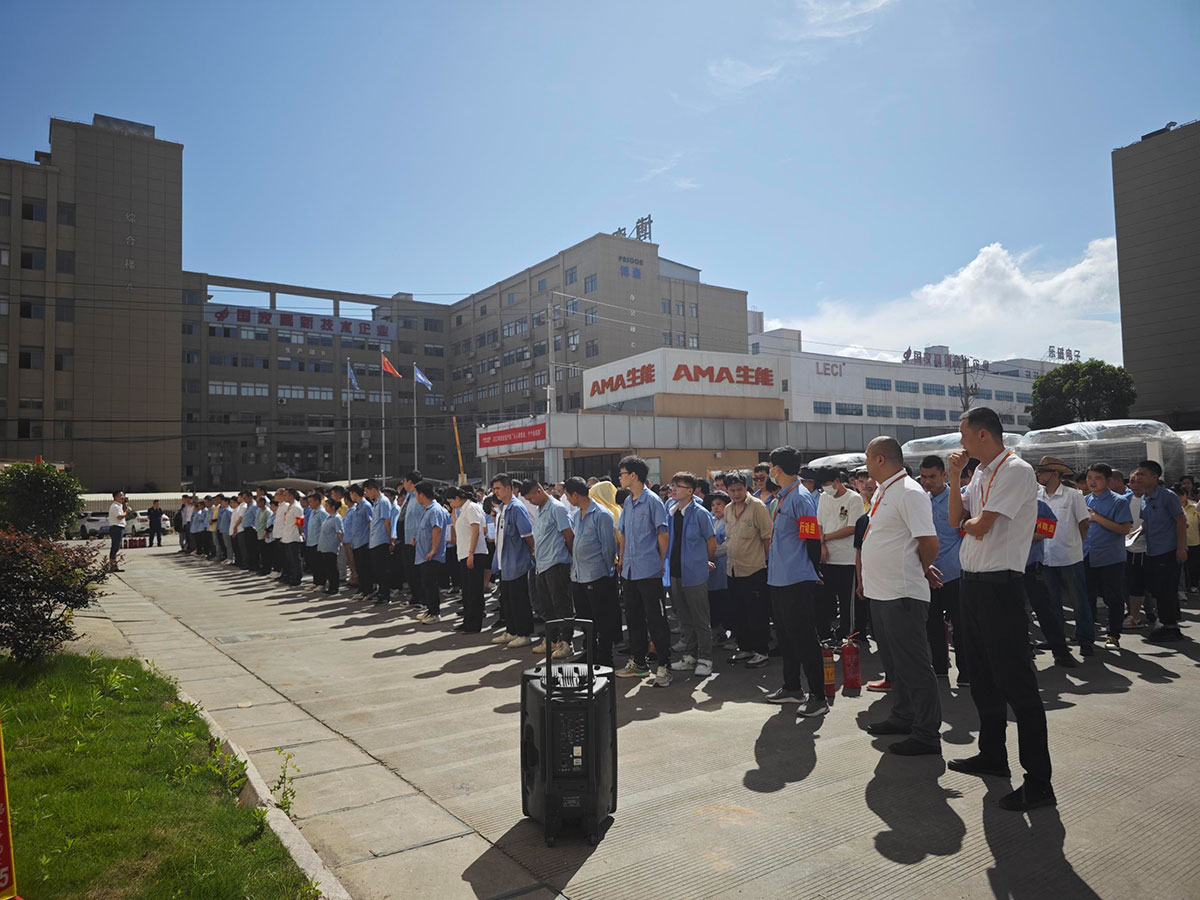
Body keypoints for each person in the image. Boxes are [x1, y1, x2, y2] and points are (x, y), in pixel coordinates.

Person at [948, 407, 1054, 812]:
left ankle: (1039, 781)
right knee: (981, 677)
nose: (960, 442)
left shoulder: (1015, 471)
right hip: (973, 586)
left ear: (983, 435)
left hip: (1000, 588)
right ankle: (992, 754)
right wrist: (955, 477)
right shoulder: (979, 473)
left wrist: (968, 524)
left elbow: (981, 525)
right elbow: (957, 518)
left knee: (1017, 684)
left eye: (963, 434)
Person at [861, 437, 943, 756]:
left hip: (902, 593)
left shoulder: (910, 492)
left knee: (914, 664)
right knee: (895, 664)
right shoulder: (884, 491)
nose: (866, 464)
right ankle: (904, 715)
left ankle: (926, 733)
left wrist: (918, 568)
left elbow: (929, 542)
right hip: (882, 592)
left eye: (868, 458)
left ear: (881, 460)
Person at [764, 446, 828, 718]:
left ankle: (818, 696)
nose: (769, 471)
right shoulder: (784, 496)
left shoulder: (800, 498)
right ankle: (792, 687)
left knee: (804, 638)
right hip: (779, 578)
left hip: (796, 578)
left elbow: (811, 538)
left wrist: (815, 570)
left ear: (777, 469)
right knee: (786, 636)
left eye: (770, 467)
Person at [616, 455, 674, 686]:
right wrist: (622, 559)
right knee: (634, 618)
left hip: (649, 570)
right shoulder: (628, 502)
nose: (619, 478)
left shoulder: (652, 501)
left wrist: (660, 562)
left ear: (633, 475)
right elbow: (623, 534)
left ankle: (664, 666)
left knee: (656, 620)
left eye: (622, 474)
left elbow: (663, 534)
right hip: (629, 571)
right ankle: (639, 663)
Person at [1036, 456, 1094, 656]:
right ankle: (1057, 640)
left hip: (1069, 556)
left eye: (1043, 471)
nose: (1039, 475)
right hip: (1045, 556)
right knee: (1051, 603)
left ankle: (1085, 639)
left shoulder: (1073, 495)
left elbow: (1084, 523)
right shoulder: (1037, 496)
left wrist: (1076, 543)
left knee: (1079, 601)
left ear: (1055, 473)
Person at [918, 456, 966, 685]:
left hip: (955, 572)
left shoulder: (958, 499)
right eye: (923, 477)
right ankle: (939, 668)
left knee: (961, 625)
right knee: (933, 625)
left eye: (932, 476)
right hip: (928, 573)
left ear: (944, 475)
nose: (927, 481)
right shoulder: (920, 501)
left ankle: (966, 671)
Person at [563, 477, 620, 667]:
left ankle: (604, 657)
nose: (567, 499)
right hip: (578, 576)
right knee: (585, 620)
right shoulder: (577, 515)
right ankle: (589, 652)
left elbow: (608, 548)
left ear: (575, 494)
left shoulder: (601, 515)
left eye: (567, 495)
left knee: (602, 620)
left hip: (596, 576)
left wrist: (606, 572)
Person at [665, 472, 718, 678]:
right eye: (672, 485)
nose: (673, 489)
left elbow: (711, 542)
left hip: (694, 573)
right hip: (675, 572)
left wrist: (702, 562)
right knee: (684, 617)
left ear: (690, 491)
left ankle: (705, 658)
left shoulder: (700, 513)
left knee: (700, 618)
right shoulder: (672, 512)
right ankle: (690, 656)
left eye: (678, 486)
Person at [1132, 460, 1187, 642]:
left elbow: (1180, 521)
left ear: (1155, 477)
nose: (1138, 478)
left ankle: (1170, 626)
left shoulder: (1167, 496)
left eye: (1142, 474)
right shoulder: (1145, 498)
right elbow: (1146, 523)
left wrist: (1181, 547)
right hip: (1152, 551)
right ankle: (1168, 624)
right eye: (1137, 474)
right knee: (1158, 589)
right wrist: (1135, 533)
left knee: (1166, 590)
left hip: (1168, 550)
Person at [521, 480, 577, 659]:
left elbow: (569, 536)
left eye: (531, 498)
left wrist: (571, 559)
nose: (531, 502)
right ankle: (552, 639)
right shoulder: (540, 510)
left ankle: (566, 642)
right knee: (547, 607)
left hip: (557, 563)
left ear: (539, 491)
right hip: (542, 564)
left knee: (561, 605)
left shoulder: (556, 508)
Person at [724, 472, 773, 669]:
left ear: (746, 487)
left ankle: (761, 651)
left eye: (739, 489)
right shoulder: (727, 509)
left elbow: (767, 537)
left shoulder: (758, 507)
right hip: (733, 570)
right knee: (739, 612)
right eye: (732, 490)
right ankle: (745, 648)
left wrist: (767, 564)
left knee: (757, 613)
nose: (736, 494)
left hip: (754, 570)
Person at [1082, 463, 1132, 648]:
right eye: (1089, 478)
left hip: (1110, 557)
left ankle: (1113, 635)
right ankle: (1086, 634)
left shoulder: (1119, 501)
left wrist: (1097, 518)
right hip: (1087, 554)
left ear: (1107, 480)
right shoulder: (1084, 500)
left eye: (1097, 478)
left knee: (1113, 598)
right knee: (1087, 597)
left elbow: (1124, 529)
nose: (1092, 482)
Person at [490, 473, 536, 648]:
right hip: (505, 562)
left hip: (517, 562)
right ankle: (512, 631)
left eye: (498, 488)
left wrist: (532, 551)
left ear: (508, 488)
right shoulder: (503, 508)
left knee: (519, 600)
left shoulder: (516, 508)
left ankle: (524, 634)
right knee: (508, 600)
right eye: (494, 489)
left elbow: (527, 534)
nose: (496, 492)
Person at [816, 468, 861, 642]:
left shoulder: (853, 498)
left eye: (827, 484)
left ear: (837, 481)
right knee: (825, 600)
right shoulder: (823, 497)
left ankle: (847, 634)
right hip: (827, 559)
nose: (825, 488)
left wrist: (825, 538)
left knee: (846, 601)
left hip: (846, 559)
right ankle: (826, 635)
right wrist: (821, 545)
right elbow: (819, 524)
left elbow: (852, 528)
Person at [412, 482, 452, 623]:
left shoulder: (435, 510)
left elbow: (437, 529)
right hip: (424, 554)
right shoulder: (427, 510)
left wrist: (433, 550)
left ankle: (434, 613)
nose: (416, 497)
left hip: (430, 556)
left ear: (422, 494)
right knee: (426, 584)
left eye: (416, 494)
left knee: (430, 585)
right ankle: (430, 610)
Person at [449, 488, 489, 633]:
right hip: (465, 554)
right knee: (466, 590)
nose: (451, 504)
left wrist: (471, 553)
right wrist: (453, 514)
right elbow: (459, 529)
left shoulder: (472, 508)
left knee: (473, 590)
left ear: (457, 498)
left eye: (451, 501)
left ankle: (474, 623)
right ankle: (467, 620)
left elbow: (476, 530)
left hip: (474, 554)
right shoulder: (463, 510)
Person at [707, 490, 733, 648]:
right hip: (711, 569)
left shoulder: (729, 522)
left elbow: (727, 545)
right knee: (713, 602)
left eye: (719, 504)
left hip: (723, 566)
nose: (715, 508)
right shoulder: (710, 520)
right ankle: (718, 633)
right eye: (713, 505)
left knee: (725, 602)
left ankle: (730, 633)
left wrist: (709, 552)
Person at [347, 485, 374, 599]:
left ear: (354, 493)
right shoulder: (357, 506)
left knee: (365, 568)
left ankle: (368, 590)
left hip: (364, 541)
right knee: (359, 568)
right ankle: (362, 589)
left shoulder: (366, 506)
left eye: (350, 493)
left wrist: (370, 541)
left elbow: (370, 523)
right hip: (356, 542)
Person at [317, 497, 344, 595]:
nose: (325, 507)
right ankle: (330, 586)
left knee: (332, 568)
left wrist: (341, 543)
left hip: (331, 546)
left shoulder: (337, 518)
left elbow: (340, 532)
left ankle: (334, 587)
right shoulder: (328, 517)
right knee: (327, 568)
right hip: (324, 546)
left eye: (327, 506)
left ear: (333, 507)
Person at [303, 492, 328, 590]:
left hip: (318, 542)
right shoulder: (312, 512)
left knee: (319, 564)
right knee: (313, 563)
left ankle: (321, 583)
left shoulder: (322, 512)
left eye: (311, 501)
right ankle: (316, 581)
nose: (309, 503)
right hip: (310, 541)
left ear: (317, 501)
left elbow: (325, 528)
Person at [108, 490, 127, 570]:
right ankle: (112, 565)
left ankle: (114, 565)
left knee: (116, 546)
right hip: (116, 528)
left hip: (119, 527)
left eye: (123, 495)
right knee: (115, 547)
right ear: (115, 497)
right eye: (120, 495)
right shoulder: (115, 506)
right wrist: (126, 512)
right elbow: (119, 517)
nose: (123, 497)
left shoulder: (119, 506)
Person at [216, 496, 234, 562]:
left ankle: (231, 558)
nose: (221, 503)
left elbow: (231, 521)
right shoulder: (223, 511)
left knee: (229, 545)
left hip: (227, 530)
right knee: (226, 545)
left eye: (223, 502)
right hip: (223, 530)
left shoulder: (229, 511)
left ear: (227, 502)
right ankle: (228, 557)